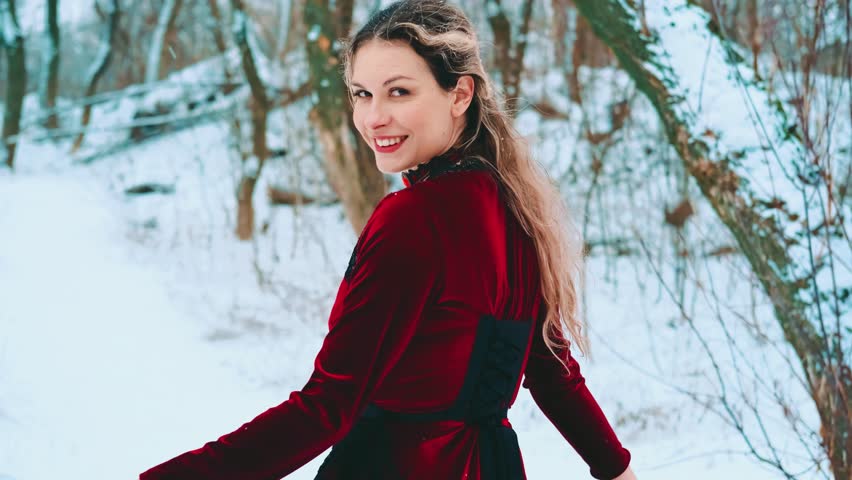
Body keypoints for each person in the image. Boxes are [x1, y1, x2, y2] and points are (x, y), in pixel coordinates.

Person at [139, 1, 637, 479]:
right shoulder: (516, 207)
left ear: (460, 94)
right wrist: (617, 469)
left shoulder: (415, 218)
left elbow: (327, 408)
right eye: (362, 94)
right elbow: (553, 375)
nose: (374, 117)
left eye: (399, 92)